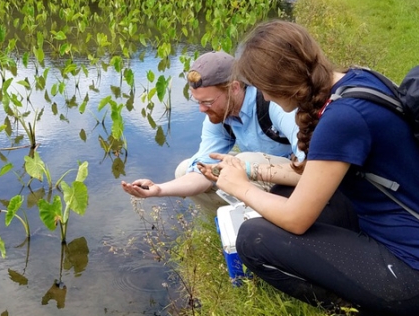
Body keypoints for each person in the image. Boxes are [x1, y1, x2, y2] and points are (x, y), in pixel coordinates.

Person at [199, 20, 419, 316]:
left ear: (282, 83)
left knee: (254, 240)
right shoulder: (355, 80)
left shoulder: (342, 120)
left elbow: (297, 219)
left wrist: (241, 186)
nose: (264, 96)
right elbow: (310, 177)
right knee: (284, 199)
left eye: (263, 87)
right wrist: (256, 171)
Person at [120, 51, 300, 213]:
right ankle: (236, 224)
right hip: (264, 178)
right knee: (185, 170)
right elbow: (203, 171)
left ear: (234, 88)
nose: (201, 110)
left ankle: (276, 217)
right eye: (197, 102)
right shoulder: (220, 115)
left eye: (207, 102)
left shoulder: (273, 104)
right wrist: (159, 190)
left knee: (241, 161)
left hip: (300, 182)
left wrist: (246, 168)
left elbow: (313, 168)